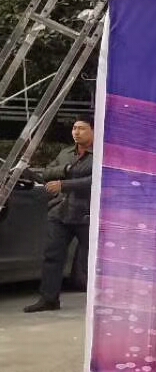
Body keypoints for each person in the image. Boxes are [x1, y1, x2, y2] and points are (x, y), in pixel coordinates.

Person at [24, 119, 94, 314]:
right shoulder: (66, 153)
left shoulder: (101, 154)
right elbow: (47, 172)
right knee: (52, 256)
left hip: (86, 213)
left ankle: (100, 301)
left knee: (92, 259)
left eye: (82, 128)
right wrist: (66, 170)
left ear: (93, 130)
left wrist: (64, 184)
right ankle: (49, 299)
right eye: (74, 128)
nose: (76, 132)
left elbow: (97, 178)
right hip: (60, 211)